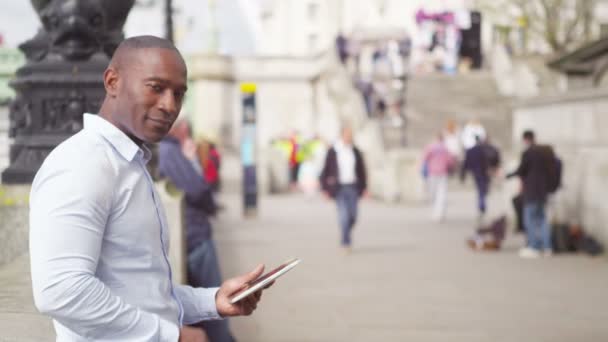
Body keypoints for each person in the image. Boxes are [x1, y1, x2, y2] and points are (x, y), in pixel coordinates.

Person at [29, 36, 266, 342]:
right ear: (112, 81)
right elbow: (60, 291)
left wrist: (213, 301)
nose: (170, 105)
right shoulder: (82, 164)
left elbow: (143, 289)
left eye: (179, 94)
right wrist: (172, 336)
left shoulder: (128, 163)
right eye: (156, 87)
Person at [159, 120, 234, 342]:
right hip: (195, 237)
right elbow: (199, 190)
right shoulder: (168, 149)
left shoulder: (166, 148)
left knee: (212, 304)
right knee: (216, 319)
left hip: (191, 234)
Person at [319, 125, 367, 253]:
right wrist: (325, 189)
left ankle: (346, 231)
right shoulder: (333, 151)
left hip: (353, 187)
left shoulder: (355, 151)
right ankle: (345, 241)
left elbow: (362, 171)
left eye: (350, 135)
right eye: (347, 134)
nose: (349, 137)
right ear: (342, 135)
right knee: (344, 215)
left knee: (353, 216)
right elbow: (325, 170)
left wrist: (365, 188)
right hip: (339, 188)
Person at [507, 130, 554, 258]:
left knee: (530, 220)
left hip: (531, 191)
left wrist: (507, 175)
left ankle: (534, 246)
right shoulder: (546, 153)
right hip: (543, 191)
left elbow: (521, 170)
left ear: (525, 139)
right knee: (542, 219)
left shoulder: (528, 153)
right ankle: (547, 246)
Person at [422, 133, 455, 222]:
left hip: (432, 172)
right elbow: (450, 161)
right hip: (443, 173)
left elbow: (424, 158)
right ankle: (439, 213)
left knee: (433, 193)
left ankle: (435, 212)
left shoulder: (431, 147)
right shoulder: (445, 148)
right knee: (442, 193)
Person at [460, 136, 490, 224]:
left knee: (481, 191)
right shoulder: (484, 150)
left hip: (476, 173)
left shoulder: (471, 150)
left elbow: (466, 163)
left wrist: (463, 174)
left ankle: (481, 205)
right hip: (483, 173)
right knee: (482, 191)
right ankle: (482, 205)